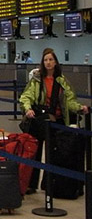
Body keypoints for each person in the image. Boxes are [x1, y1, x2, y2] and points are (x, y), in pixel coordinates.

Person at [19, 48, 89, 194]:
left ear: (56, 62)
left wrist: (79, 108)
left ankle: (51, 184)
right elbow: (26, 97)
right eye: (46, 60)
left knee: (54, 154)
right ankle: (31, 184)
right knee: (35, 152)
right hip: (38, 120)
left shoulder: (62, 81)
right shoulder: (37, 80)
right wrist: (27, 109)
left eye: (51, 60)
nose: (48, 63)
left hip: (56, 121)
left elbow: (70, 100)